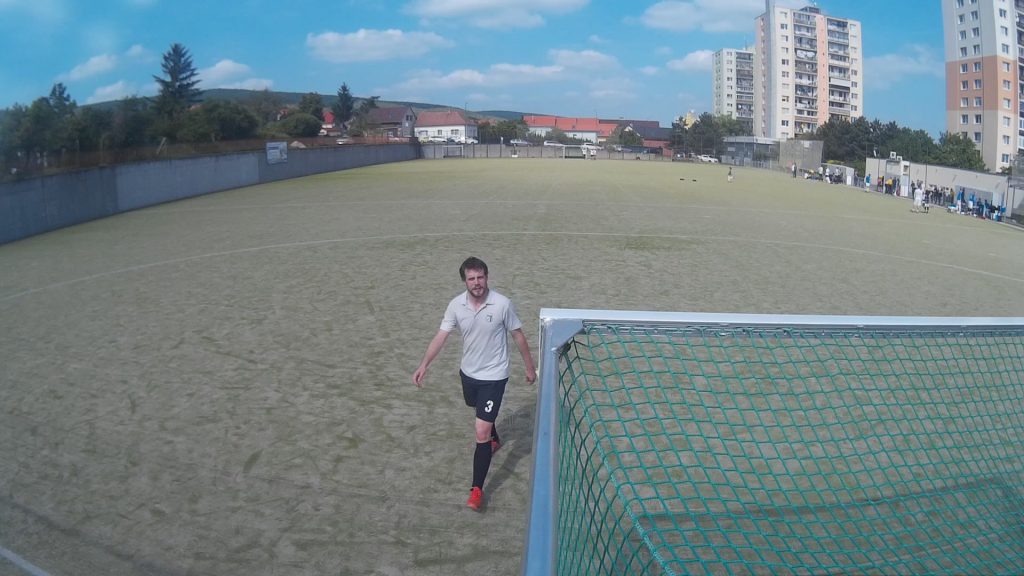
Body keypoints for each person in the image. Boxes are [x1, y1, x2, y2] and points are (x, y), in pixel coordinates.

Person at [412, 256, 537, 511]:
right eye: (471, 278)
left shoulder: (502, 304)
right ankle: (494, 438)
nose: (477, 283)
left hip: (494, 376)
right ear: (465, 281)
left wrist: (528, 367)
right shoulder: (455, 306)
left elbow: (518, 336)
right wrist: (424, 364)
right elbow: (441, 336)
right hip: (468, 374)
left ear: (487, 277)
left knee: (480, 431)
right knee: (477, 410)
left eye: (480, 277)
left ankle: (477, 490)